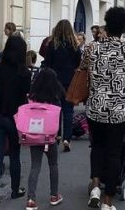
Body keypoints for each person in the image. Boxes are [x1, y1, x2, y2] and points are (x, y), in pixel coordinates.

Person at [80, 7, 125, 210]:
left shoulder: (92, 49)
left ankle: (95, 186)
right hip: (119, 110)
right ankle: (108, 200)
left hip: (95, 107)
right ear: (124, 28)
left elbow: (82, 69)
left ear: (106, 25)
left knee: (96, 147)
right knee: (114, 153)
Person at [0, 36, 31, 205]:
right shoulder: (24, 73)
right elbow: (26, 96)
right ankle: (15, 189)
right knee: (14, 154)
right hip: (16, 118)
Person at [25, 68, 66, 210]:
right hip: (50, 137)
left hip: (34, 135)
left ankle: (31, 199)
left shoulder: (32, 97)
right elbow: (58, 118)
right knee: (53, 165)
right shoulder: (55, 99)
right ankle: (54, 195)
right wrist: (59, 135)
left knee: (35, 165)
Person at [41, 20, 81, 152]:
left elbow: (47, 64)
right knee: (68, 111)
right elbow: (79, 64)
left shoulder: (52, 45)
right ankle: (67, 138)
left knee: (55, 109)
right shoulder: (75, 46)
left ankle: (56, 134)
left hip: (55, 81)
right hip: (70, 82)